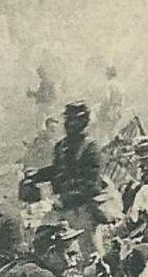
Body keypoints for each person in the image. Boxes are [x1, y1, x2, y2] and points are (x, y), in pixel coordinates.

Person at [26, 100, 108, 259]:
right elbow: (58, 170)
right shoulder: (61, 146)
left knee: (90, 255)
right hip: (60, 207)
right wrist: (37, 175)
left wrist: (66, 199)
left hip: (82, 209)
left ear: (84, 122)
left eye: (75, 120)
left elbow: (93, 186)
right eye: (68, 119)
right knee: (42, 242)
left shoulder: (91, 148)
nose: (70, 124)